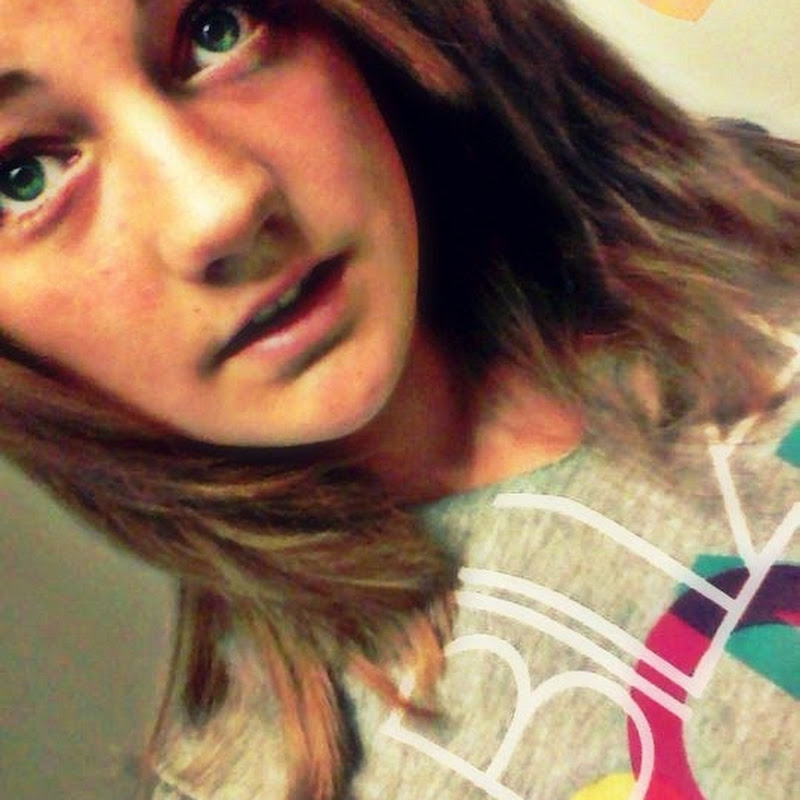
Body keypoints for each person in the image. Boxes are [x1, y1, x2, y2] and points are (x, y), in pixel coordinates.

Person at [0, 0, 797, 798]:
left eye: (215, 27)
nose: (222, 208)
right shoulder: (279, 782)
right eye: (20, 176)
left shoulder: (756, 219)